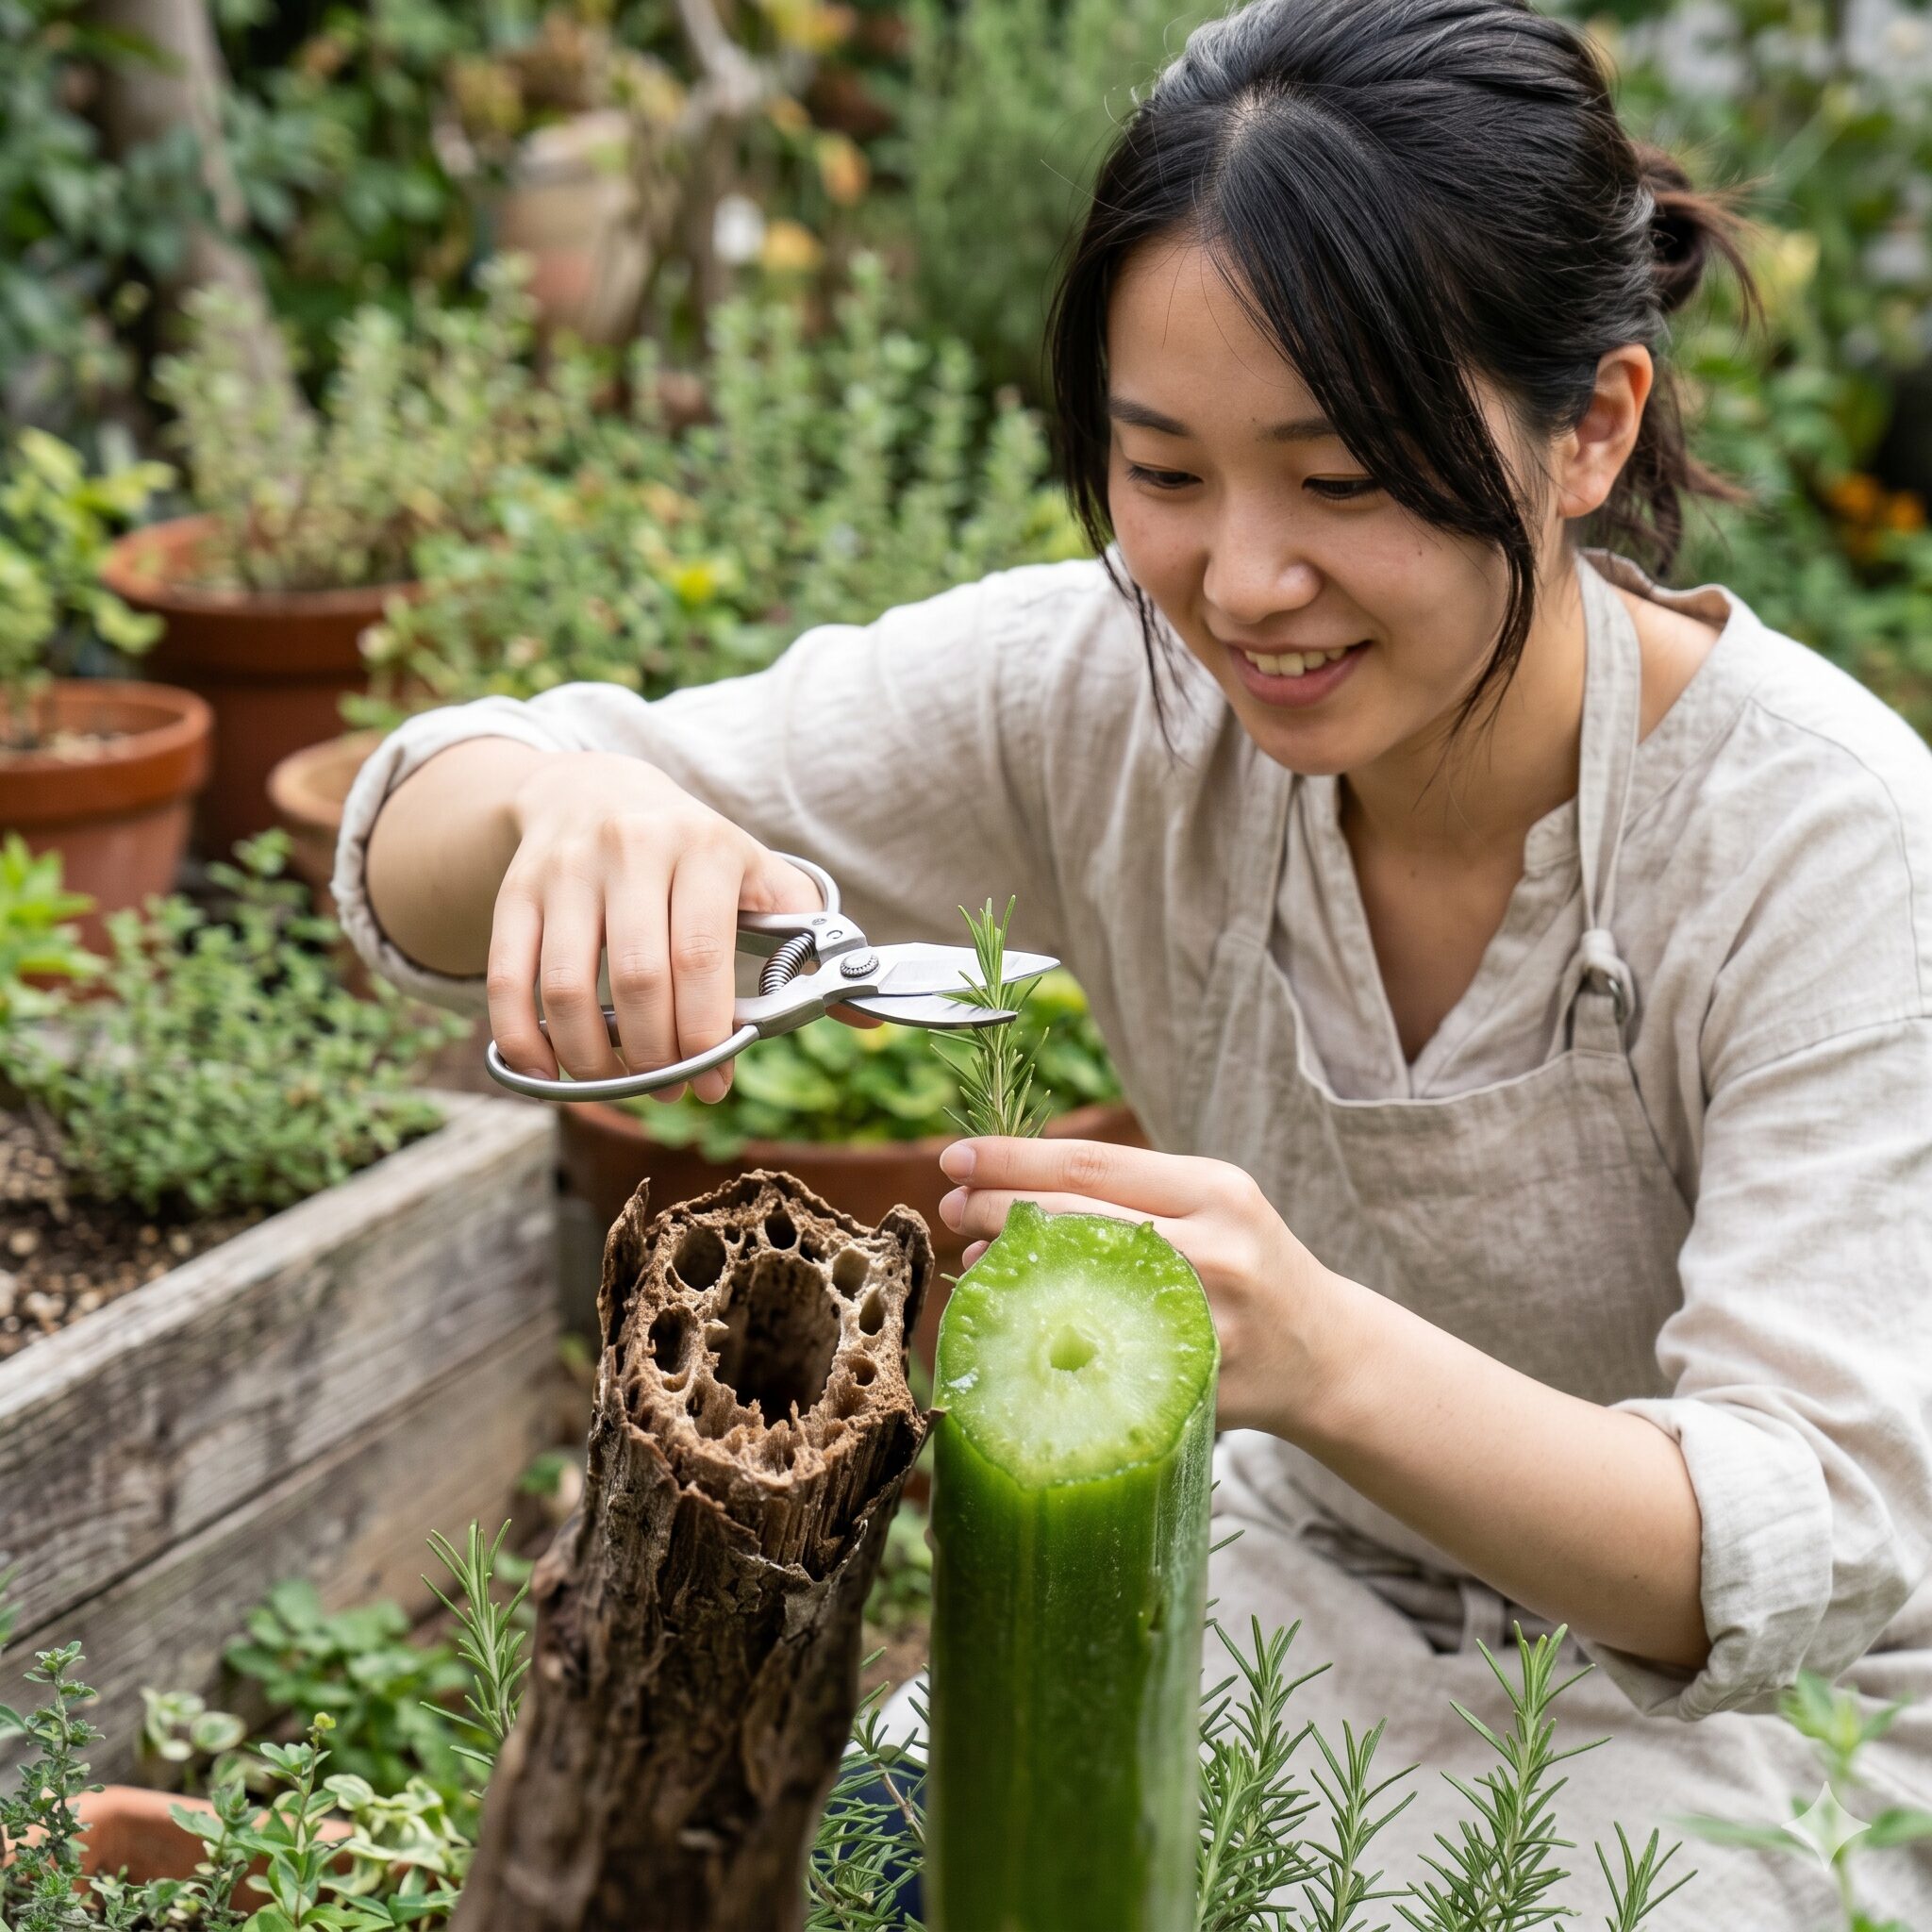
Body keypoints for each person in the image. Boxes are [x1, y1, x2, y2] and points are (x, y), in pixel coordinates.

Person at [335, 0, 1932, 1918]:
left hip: (1768, 1734)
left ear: (1586, 426)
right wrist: (560, 811)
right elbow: (408, 844)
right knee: (858, 1878)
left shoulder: (1826, 839)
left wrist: (1323, 1351)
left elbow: (1795, 1540)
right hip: (1275, 1594)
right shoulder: (1102, 687)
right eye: (1163, 471)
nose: (1241, 583)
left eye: (1340, 481)